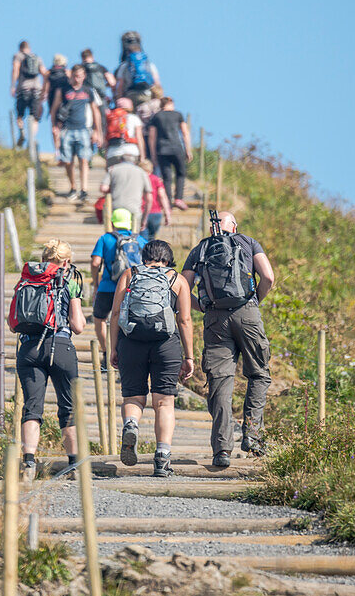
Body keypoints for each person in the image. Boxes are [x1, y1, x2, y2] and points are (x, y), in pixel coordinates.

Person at [181, 211, 275, 466]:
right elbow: (268, 277)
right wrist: (255, 302)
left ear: (214, 228)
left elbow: (181, 289)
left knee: (221, 382)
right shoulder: (248, 242)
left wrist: (204, 307)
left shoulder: (200, 249)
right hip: (248, 313)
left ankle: (222, 450)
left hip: (214, 319)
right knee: (259, 374)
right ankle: (252, 436)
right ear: (233, 226)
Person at [110, 239, 194, 477]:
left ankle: (131, 425)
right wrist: (189, 356)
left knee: (133, 397)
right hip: (165, 345)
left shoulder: (129, 274)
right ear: (168, 259)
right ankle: (162, 458)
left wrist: (114, 347)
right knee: (164, 403)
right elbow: (185, 320)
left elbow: (116, 313)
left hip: (132, 341)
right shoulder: (177, 279)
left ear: (144, 256)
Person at [9, 239, 86, 483]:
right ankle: (74, 465)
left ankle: (29, 463)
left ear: (43, 260)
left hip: (29, 348)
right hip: (60, 347)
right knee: (69, 408)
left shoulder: (26, 280)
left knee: (32, 407)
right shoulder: (69, 282)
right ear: (67, 261)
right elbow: (78, 326)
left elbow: (13, 323)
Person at [90, 208, 147, 364]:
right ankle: (126, 354)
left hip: (108, 287)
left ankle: (106, 352)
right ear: (130, 223)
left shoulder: (105, 239)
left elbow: (95, 262)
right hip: (131, 288)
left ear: (113, 222)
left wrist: (95, 283)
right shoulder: (140, 240)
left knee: (99, 318)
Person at [51, 63, 102, 203]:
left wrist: (97, 131)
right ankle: (73, 187)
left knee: (84, 159)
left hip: (83, 129)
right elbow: (54, 109)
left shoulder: (88, 90)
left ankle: (84, 189)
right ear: (71, 75)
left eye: (80, 76)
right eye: (75, 76)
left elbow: (95, 111)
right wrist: (54, 126)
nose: (77, 79)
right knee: (68, 161)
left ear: (84, 76)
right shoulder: (63, 90)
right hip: (67, 129)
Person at [148, 97, 192, 210]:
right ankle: (179, 199)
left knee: (166, 177)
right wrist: (188, 149)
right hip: (177, 148)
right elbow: (185, 132)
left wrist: (153, 155)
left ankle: (167, 202)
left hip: (162, 149)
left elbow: (152, 137)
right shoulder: (178, 115)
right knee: (181, 173)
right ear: (170, 104)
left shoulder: (156, 116)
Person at [100, 155, 152, 235]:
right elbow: (149, 198)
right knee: (134, 237)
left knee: (114, 236)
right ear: (134, 162)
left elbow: (103, 188)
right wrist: (144, 218)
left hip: (116, 207)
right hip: (134, 209)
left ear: (120, 160)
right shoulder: (141, 172)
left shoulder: (113, 169)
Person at [11, 41, 47, 148]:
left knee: (20, 115)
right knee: (35, 117)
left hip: (23, 89)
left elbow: (15, 70)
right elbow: (44, 73)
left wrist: (13, 85)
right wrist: (44, 90)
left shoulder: (18, 56)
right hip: (36, 90)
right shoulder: (37, 58)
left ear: (20, 48)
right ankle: (31, 138)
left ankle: (22, 131)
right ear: (29, 48)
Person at [114, 32, 161, 105]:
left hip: (131, 96)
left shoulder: (124, 66)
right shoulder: (149, 64)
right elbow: (157, 82)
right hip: (147, 94)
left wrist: (118, 100)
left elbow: (120, 85)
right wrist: (159, 98)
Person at [81, 48, 115, 134]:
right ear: (92, 56)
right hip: (101, 97)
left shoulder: (81, 68)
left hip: (87, 98)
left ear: (82, 57)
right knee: (103, 121)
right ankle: (103, 144)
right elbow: (112, 82)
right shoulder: (101, 67)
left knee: (89, 122)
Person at [104, 97, 146, 166]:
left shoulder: (111, 118)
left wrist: (106, 156)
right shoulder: (134, 118)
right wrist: (142, 156)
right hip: (131, 152)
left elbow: (106, 138)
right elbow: (139, 138)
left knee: (115, 176)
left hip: (113, 153)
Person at [44, 55, 71, 159]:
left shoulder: (49, 72)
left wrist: (43, 98)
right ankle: (65, 147)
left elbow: (45, 90)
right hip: (65, 99)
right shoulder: (67, 72)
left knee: (54, 125)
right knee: (63, 124)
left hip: (52, 100)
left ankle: (57, 150)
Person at [139, 159, 171, 239]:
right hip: (156, 213)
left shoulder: (138, 179)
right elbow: (162, 196)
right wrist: (167, 214)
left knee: (141, 239)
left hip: (142, 212)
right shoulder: (156, 179)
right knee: (151, 238)